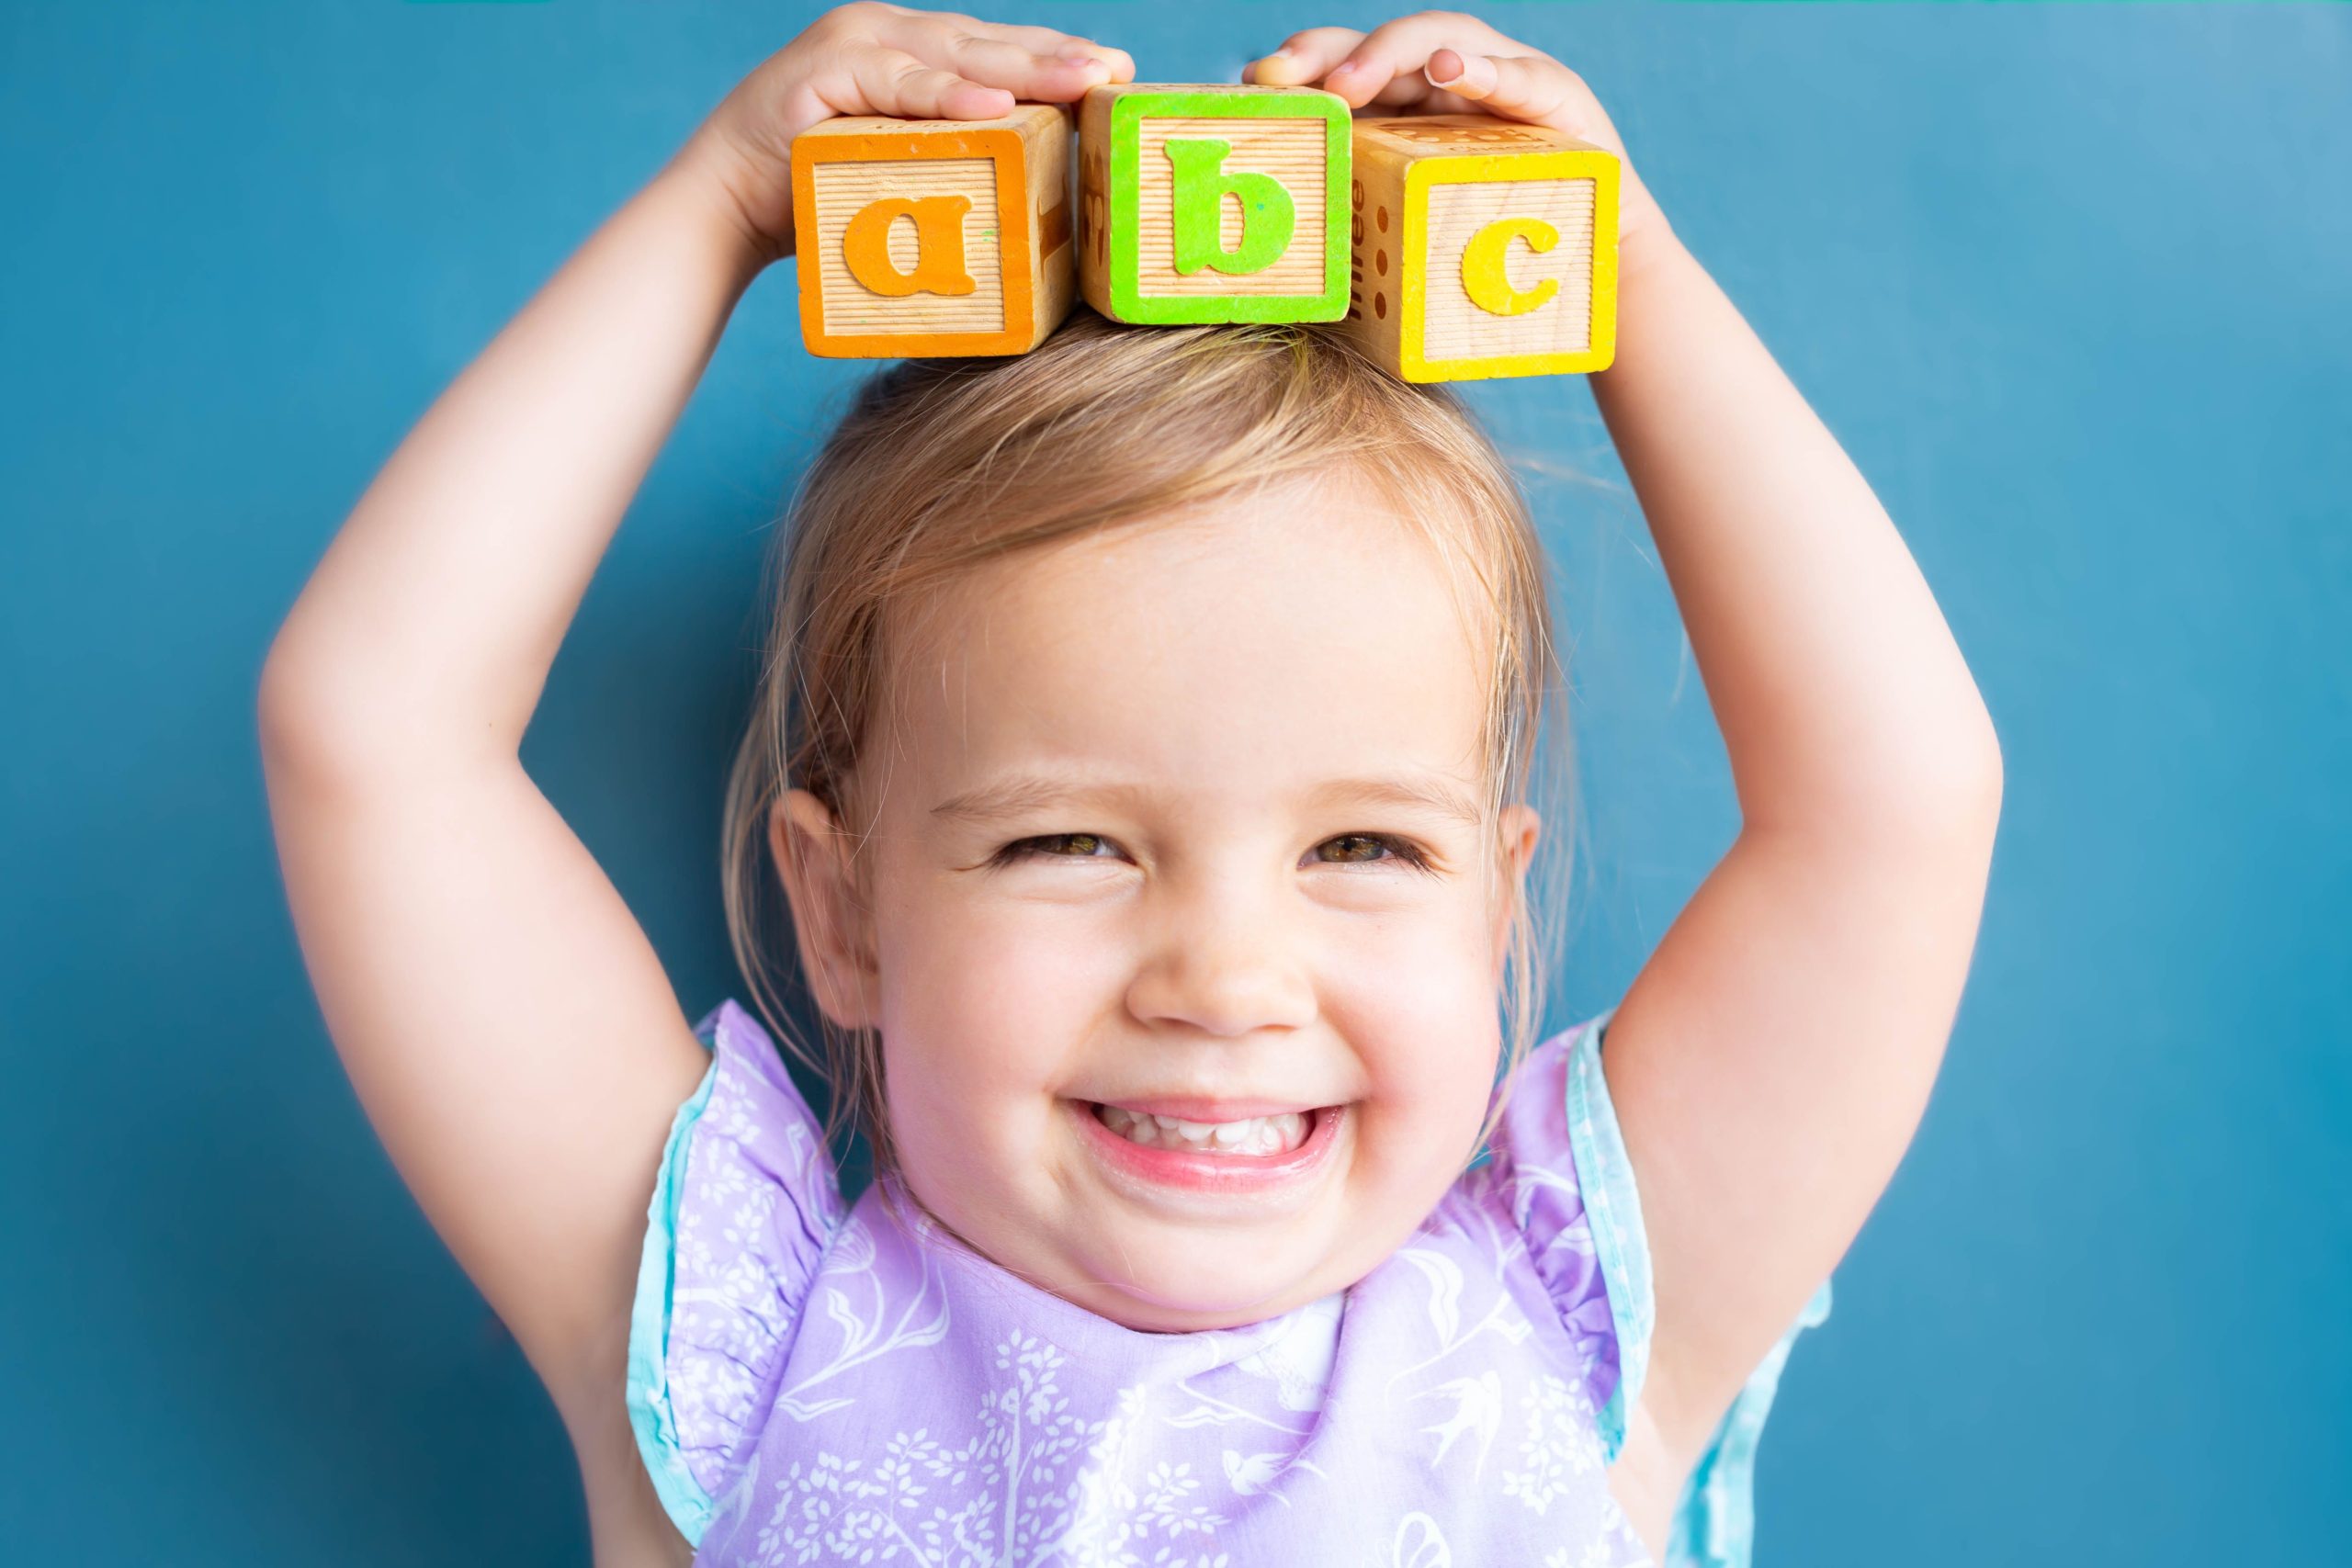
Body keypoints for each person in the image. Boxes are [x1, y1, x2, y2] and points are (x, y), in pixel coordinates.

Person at [257, 7, 2002, 1564]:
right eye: (1069, 841)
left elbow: (1891, 809)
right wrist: (719, 209)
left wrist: (1616, 266)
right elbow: (373, 732)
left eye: (1365, 844)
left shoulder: (1577, 1342)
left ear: (1499, 906)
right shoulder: (742, 1354)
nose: (1225, 982)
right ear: (843, 908)